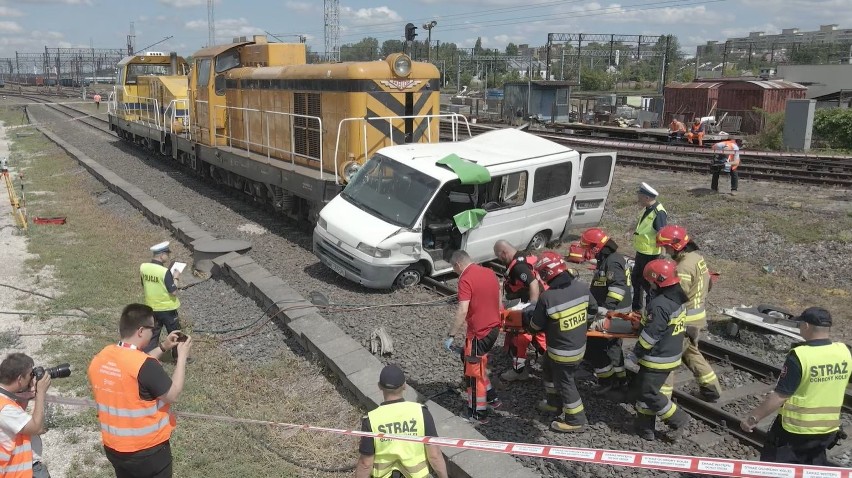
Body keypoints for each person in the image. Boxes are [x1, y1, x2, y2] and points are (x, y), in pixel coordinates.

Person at [89, 303, 192, 478]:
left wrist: (163, 347)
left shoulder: (102, 357)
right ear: (141, 331)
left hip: (114, 448)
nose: (153, 332)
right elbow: (172, 394)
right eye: (152, 329)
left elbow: (134, 366)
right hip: (148, 451)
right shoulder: (145, 366)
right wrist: (182, 357)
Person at [740, 307, 851, 465]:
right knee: (813, 469)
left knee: (775, 467)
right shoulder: (844, 352)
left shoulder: (800, 356)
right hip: (827, 429)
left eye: (799, 324)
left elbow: (780, 396)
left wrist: (752, 418)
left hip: (795, 431)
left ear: (806, 326)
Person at [526, 253, 597, 433]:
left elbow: (535, 326)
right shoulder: (581, 287)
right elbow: (593, 309)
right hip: (578, 346)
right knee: (547, 367)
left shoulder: (548, 298)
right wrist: (582, 324)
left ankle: (576, 420)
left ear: (546, 274)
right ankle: (553, 403)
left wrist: (529, 320)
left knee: (565, 382)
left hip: (562, 352)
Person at [656, 225, 722, 402]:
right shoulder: (697, 258)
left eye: (667, 247)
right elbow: (708, 284)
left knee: (667, 356)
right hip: (697, 316)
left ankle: (662, 401)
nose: (666, 251)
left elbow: (677, 295)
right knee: (691, 353)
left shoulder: (683, 267)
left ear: (676, 245)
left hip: (686, 319)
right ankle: (711, 388)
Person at [630, 259, 691, 441]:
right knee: (644, 390)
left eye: (650, 280)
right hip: (669, 355)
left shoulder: (659, 305)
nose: (648, 284)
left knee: (648, 392)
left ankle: (679, 419)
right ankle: (644, 427)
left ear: (657, 281)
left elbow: (651, 336)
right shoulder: (676, 298)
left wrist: (635, 354)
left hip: (658, 358)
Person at [355, 364, 448, 478]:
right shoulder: (421, 412)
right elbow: (434, 455)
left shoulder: (371, 420)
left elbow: (366, 464)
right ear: (404, 385)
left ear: (379, 386)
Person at [445, 250, 501, 423]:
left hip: (479, 333)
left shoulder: (465, 279)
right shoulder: (488, 272)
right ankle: (492, 398)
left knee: (472, 374)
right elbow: (499, 298)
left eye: (454, 269)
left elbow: (462, 309)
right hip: (493, 328)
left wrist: (451, 334)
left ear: (458, 265)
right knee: (478, 363)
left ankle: (478, 414)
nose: (455, 272)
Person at [579, 228, 632, 396]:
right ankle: (620, 379)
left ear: (595, 247)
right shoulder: (609, 259)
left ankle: (606, 380)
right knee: (613, 347)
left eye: (588, 248)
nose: (587, 252)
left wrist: (607, 308)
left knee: (597, 347)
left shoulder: (612, 261)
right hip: (614, 312)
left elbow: (618, 287)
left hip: (613, 313)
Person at [492, 240, 548, 382]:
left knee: (520, 338)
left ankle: (519, 371)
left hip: (532, 305)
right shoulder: (523, 256)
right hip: (540, 303)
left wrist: (532, 306)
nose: (499, 260)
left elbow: (533, 284)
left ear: (504, 253)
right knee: (540, 336)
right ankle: (549, 362)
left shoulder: (519, 267)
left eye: (499, 256)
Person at [0, 353, 51, 478]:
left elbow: (17, 419)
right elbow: (36, 428)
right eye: (29, 376)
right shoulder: (5, 409)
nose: (31, 379)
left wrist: (28, 393)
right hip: (21, 471)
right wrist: (40, 393)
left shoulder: (4, 399)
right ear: (19, 379)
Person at [141, 242, 184, 360]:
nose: (168, 257)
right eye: (167, 254)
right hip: (167, 309)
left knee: (153, 334)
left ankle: (148, 357)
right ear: (161, 255)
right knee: (175, 333)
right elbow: (173, 292)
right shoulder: (164, 272)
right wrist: (175, 277)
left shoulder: (144, 267)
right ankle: (177, 357)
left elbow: (144, 284)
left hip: (151, 308)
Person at [631, 182, 667, 312]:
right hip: (642, 252)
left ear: (647, 197)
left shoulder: (659, 212)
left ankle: (649, 311)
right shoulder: (647, 209)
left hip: (651, 254)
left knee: (648, 284)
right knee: (636, 280)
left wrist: (662, 252)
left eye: (640, 196)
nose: (638, 198)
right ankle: (637, 308)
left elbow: (661, 233)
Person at [13, 390, 50, 478]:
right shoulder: (5, 409)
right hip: (30, 467)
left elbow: (18, 410)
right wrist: (40, 393)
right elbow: (38, 428)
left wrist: (25, 395)